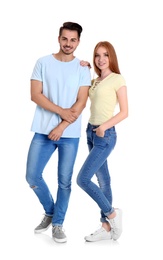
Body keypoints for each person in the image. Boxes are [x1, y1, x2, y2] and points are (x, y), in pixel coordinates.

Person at [26, 22, 91, 243]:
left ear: (78, 42)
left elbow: (82, 102)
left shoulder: (83, 68)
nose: (68, 44)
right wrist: (61, 112)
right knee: (32, 176)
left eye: (73, 40)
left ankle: (58, 223)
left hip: (69, 134)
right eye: (65, 39)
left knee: (64, 181)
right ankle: (51, 210)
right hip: (42, 130)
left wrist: (62, 125)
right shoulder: (42, 63)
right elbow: (36, 95)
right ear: (58, 38)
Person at [77, 41, 128, 242]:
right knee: (103, 180)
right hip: (91, 132)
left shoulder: (117, 79)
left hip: (105, 135)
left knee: (83, 179)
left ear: (111, 57)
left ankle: (112, 213)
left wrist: (104, 127)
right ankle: (106, 227)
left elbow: (125, 112)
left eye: (105, 55)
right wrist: (82, 67)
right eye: (97, 55)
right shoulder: (95, 80)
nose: (101, 59)